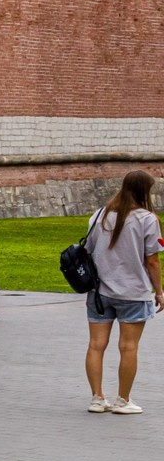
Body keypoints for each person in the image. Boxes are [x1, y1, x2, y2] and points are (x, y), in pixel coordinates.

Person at [84, 170, 161, 415]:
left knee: (96, 345)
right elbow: (152, 261)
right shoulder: (147, 219)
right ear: (144, 191)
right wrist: (159, 291)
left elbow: (89, 250)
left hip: (100, 292)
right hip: (133, 292)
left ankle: (97, 399)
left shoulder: (99, 215)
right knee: (128, 347)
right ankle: (123, 400)